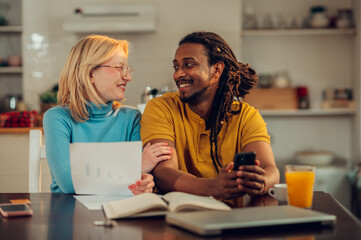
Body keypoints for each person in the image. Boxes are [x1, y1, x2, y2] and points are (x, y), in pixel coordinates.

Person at [141, 31, 279, 199]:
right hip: (177, 218)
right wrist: (214, 187)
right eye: (176, 67)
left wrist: (260, 181)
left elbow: (270, 169)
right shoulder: (162, 108)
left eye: (189, 65)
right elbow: (164, 173)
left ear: (216, 70)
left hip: (231, 218)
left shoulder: (246, 116)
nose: (178, 74)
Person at [43, 35, 172, 194]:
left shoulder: (131, 118)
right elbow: (70, 184)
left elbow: (138, 178)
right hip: (68, 211)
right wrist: (136, 168)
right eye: (119, 68)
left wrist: (144, 181)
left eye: (127, 69)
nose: (128, 77)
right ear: (90, 74)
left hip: (119, 209)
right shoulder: (58, 118)